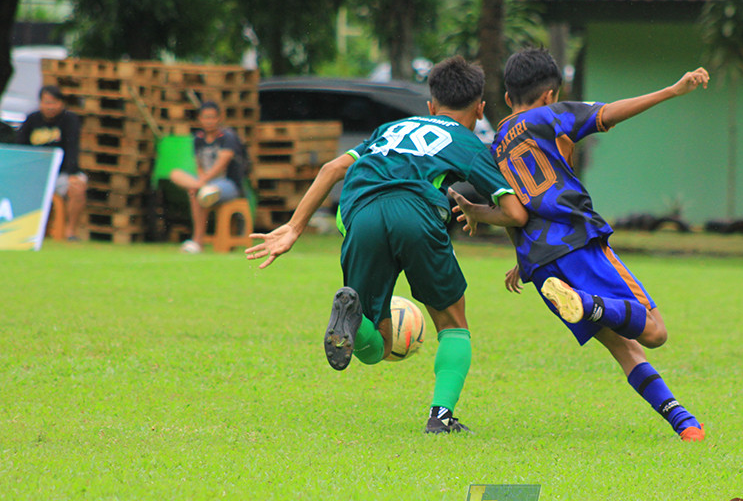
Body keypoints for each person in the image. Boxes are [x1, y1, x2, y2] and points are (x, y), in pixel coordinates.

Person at [245, 56, 527, 435]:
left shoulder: (390, 129)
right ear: (479, 109)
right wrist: (477, 212)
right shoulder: (469, 142)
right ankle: (441, 418)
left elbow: (331, 169)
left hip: (360, 213)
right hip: (415, 211)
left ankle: (352, 321)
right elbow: (515, 212)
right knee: (452, 323)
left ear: (430, 105)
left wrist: (295, 228)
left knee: (375, 342)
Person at [457, 47, 709, 442]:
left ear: (507, 99)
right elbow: (608, 113)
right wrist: (671, 91)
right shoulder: (547, 116)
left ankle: (685, 423)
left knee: (623, 348)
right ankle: (591, 305)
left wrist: (510, 247)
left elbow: (511, 213)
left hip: (540, 265)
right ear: (550, 95)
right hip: (578, 243)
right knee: (654, 332)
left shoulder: (495, 148)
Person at [170, 101, 247, 253]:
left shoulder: (228, 137)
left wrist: (202, 182)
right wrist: (201, 181)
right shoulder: (198, 139)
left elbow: (221, 164)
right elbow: (199, 165)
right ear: (200, 118)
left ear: (219, 118)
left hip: (227, 184)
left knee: (201, 192)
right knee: (176, 174)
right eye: (206, 117)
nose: (209, 121)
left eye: (212, 117)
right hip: (204, 182)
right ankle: (197, 242)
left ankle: (197, 241)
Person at [16, 86, 86, 240]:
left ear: (61, 103)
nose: (50, 107)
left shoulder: (69, 120)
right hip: (34, 175)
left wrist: (72, 174)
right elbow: (20, 148)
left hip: (60, 173)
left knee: (78, 187)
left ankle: (70, 232)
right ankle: (23, 230)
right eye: (46, 103)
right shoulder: (31, 120)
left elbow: (73, 148)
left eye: (54, 103)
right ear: (40, 103)